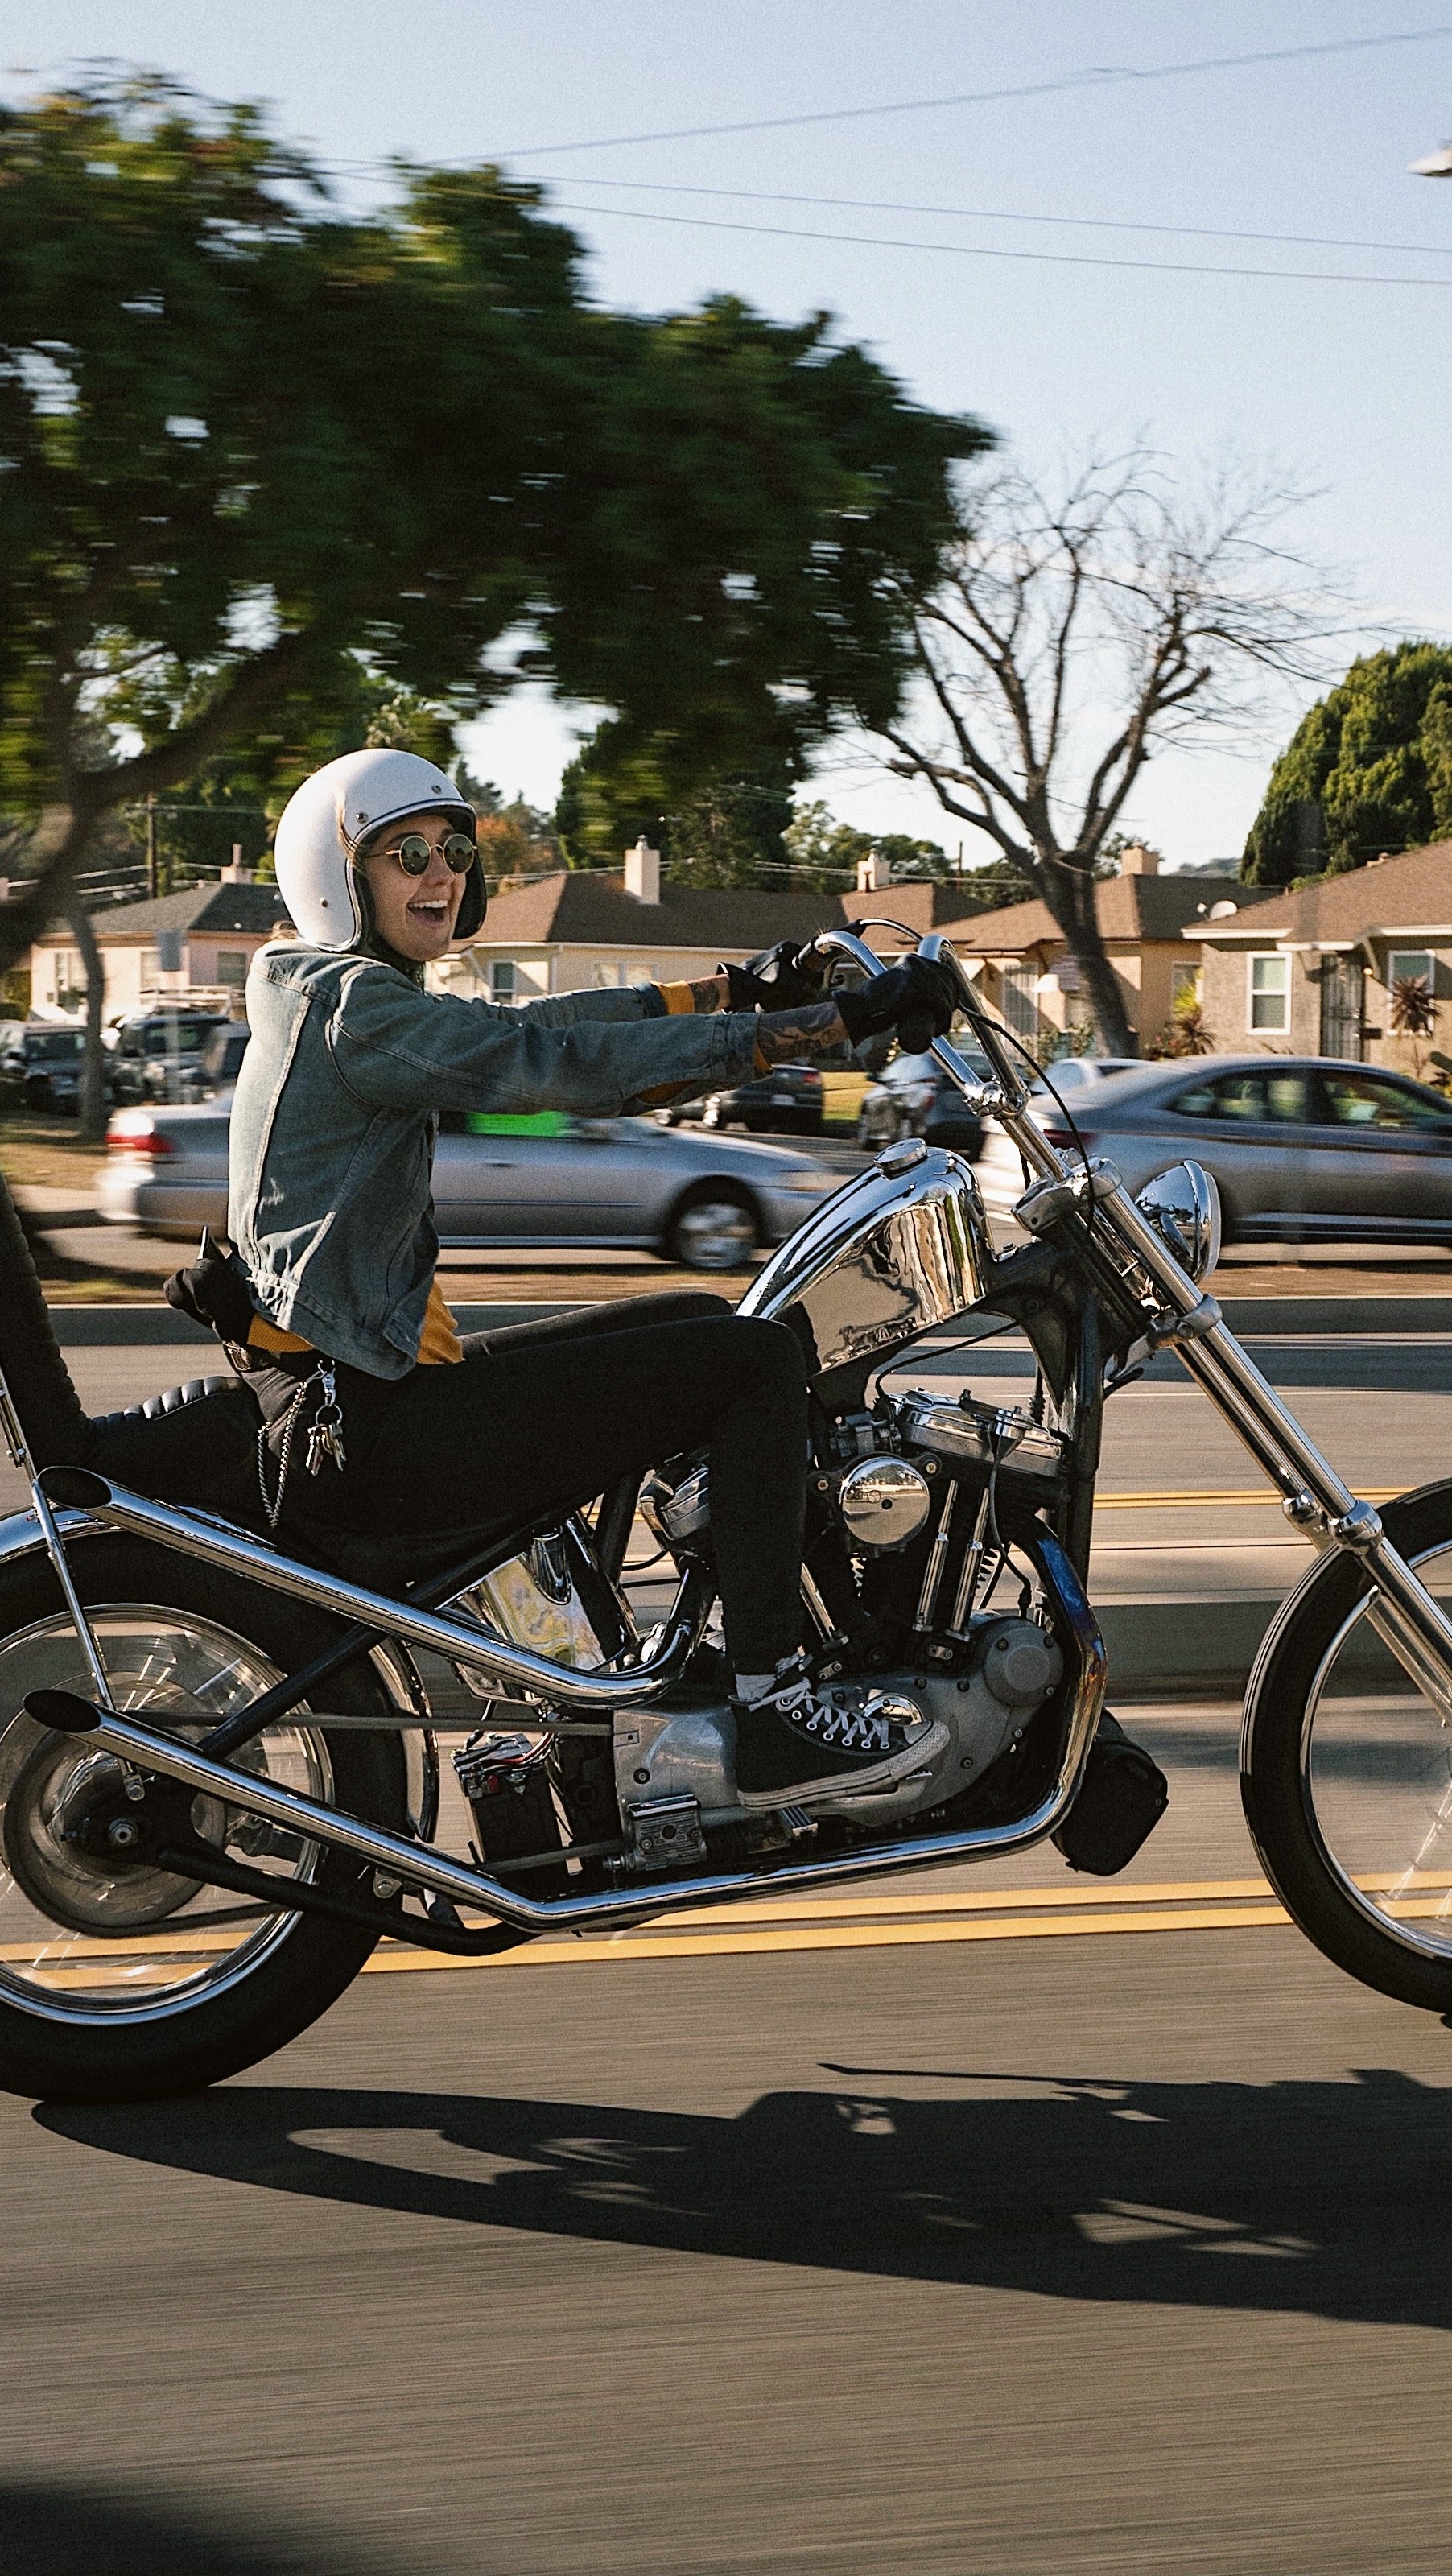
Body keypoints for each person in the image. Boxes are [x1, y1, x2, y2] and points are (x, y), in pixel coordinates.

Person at [226, 747, 955, 1807]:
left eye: (456, 853)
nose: (443, 876)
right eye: (406, 854)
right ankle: (773, 1709)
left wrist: (736, 988)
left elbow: (542, 1028)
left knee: (696, 1318)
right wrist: (829, 1027)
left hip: (361, 1395)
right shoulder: (353, 1010)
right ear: (339, 876)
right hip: (369, 1429)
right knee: (751, 1362)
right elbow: (557, 1067)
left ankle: (680, 1630)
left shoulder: (338, 996)